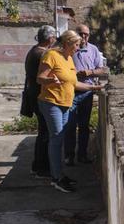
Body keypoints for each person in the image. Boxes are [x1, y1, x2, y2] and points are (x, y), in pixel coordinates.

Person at [37, 30, 104, 193]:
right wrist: (50, 80)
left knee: (60, 138)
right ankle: (56, 178)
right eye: (76, 45)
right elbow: (40, 78)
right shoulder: (51, 55)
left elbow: (74, 84)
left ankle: (59, 174)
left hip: (65, 103)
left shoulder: (68, 58)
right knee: (57, 138)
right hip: (51, 102)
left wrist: (95, 87)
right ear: (67, 43)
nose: (78, 48)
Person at [64, 24, 107, 166]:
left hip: (87, 93)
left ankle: (82, 155)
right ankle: (69, 156)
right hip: (71, 92)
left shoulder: (93, 49)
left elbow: (101, 69)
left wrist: (90, 72)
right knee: (70, 126)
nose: (83, 37)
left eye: (86, 34)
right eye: (81, 33)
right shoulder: (70, 49)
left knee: (84, 126)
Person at [22, 25, 57, 179]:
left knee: (43, 131)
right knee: (45, 132)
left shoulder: (34, 51)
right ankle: (41, 167)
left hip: (34, 95)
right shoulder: (41, 54)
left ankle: (37, 165)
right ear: (50, 38)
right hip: (39, 97)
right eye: (54, 37)